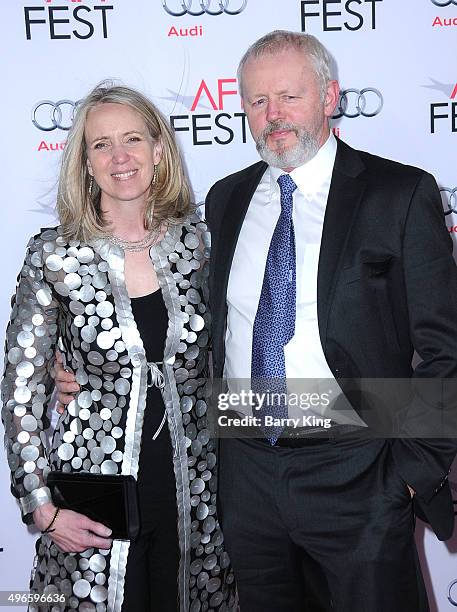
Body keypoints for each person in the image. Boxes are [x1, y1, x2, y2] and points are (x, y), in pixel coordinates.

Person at [203, 31, 457, 611]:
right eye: (257, 102)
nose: (273, 116)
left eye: (289, 97)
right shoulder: (227, 199)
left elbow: (446, 346)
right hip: (247, 471)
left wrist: (412, 470)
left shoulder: (399, 193)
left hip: (359, 469)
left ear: (330, 97)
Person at [1, 83, 236, 612]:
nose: (120, 156)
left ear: (160, 150)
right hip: (94, 502)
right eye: (101, 144)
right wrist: (40, 503)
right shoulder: (54, 257)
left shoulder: (201, 245)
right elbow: (20, 388)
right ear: (85, 162)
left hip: (198, 499)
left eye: (132, 138)